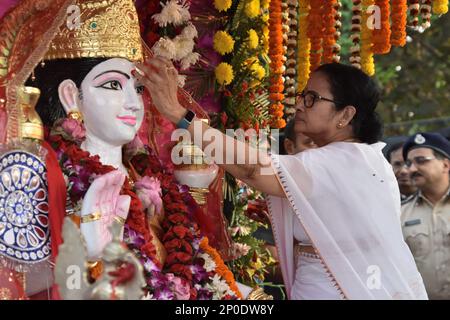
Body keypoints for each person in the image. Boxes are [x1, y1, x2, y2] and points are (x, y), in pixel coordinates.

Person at [0, 0, 242, 300]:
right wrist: (87, 253)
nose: (133, 102)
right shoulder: (43, 172)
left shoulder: (149, 176)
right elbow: (16, 281)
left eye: (138, 88)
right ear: (70, 96)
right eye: (113, 85)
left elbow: (188, 272)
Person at [135, 59, 428, 299]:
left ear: (345, 115)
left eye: (312, 99)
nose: (300, 105)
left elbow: (252, 170)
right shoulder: (365, 158)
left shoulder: (339, 161)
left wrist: (179, 115)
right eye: (302, 96)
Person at [401, 132, 450, 299]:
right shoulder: (400, 213)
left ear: (445, 165)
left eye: (421, 161)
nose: (411, 169)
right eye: (409, 163)